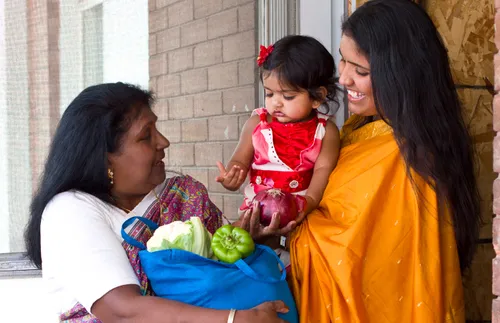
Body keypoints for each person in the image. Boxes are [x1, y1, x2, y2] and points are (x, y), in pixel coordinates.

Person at [24, 82, 290, 323]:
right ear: (105, 158)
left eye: (157, 129)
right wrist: (235, 320)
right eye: (146, 136)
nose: (164, 142)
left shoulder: (179, 195)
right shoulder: (71, 211)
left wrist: (251, 241)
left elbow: (219, 277)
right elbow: (121, 312)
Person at [289, 0, 481, 322]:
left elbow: (362, 266)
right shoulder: (362, 127)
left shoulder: (408, 156)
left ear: (401, 74)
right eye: (342, 59)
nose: (344, 78)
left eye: (360, 71)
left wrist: (290, 223)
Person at [215, 35, 341, 222]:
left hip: (301, 216)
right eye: (269, 93)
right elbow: (240, 161)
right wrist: (232, 177)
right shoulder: (257, 123)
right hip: (255, 216)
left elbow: (323, 170)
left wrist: (309, 201)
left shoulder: (325, 131)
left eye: (288, 96)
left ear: (317, 97)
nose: (276, 103)